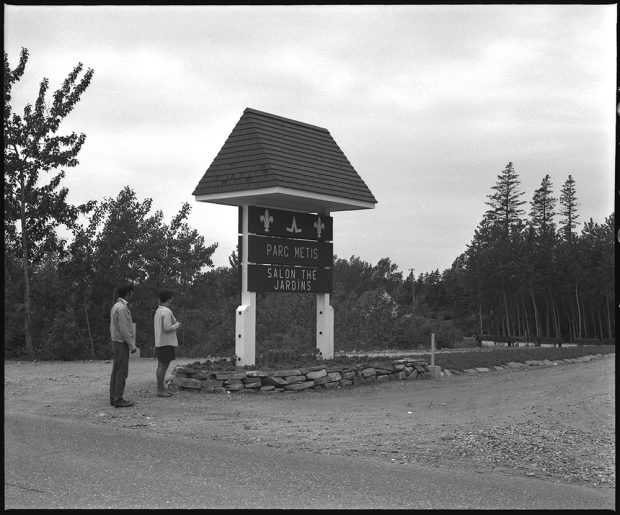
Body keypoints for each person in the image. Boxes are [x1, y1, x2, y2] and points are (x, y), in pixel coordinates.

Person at [109, 283, 137, 408]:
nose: (133, 294)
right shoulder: (122, 308)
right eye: (132, 292)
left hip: (116, 341)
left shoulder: (116, 306)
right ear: (128, 293)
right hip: (121, 343)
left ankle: (113, 397)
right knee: (122, 371)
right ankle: (118, 398)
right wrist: (132, 345)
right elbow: (124, 329)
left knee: (116, 370)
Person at [153, 289, 181, 397]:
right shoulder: (167, 311)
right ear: (169, 298)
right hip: (166, 342)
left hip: (160, 341)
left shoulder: (158, 311)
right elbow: (167, 327)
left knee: (160, 366)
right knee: (163, 367)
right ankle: (160, 390)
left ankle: (160, 388)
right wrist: (177, 325)